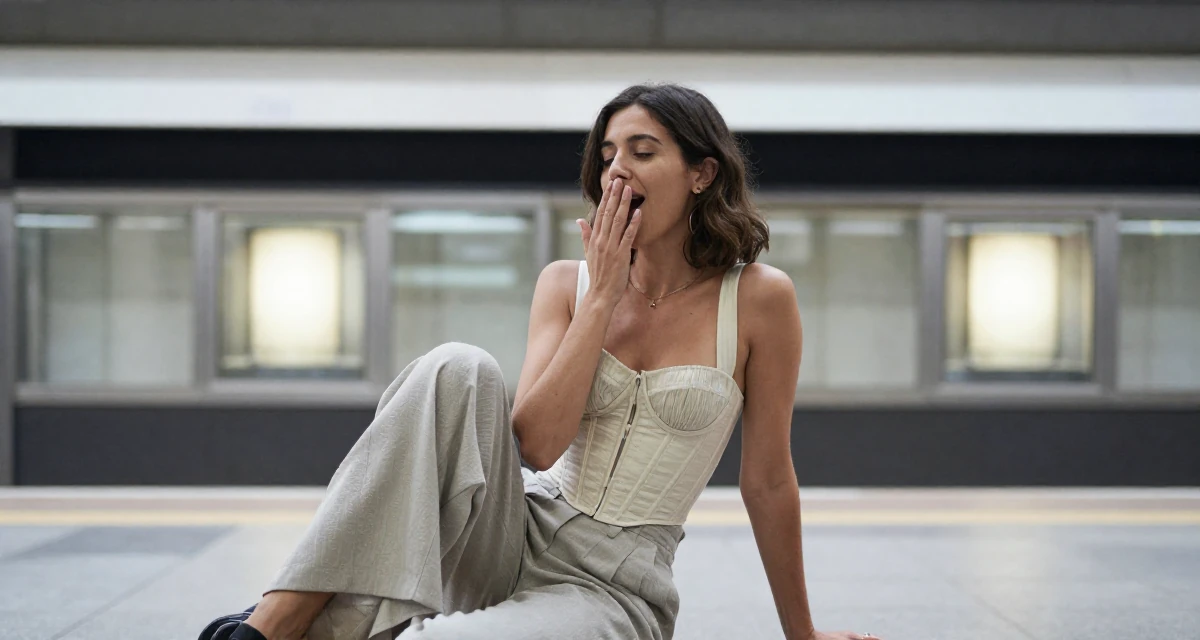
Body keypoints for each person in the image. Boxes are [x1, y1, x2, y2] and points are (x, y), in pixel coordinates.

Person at [198, 83, 882, 640]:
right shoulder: (567, 284)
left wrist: (804, 636)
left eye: (643, 151)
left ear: (702, 174)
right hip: (513, 529)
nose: (618, 170)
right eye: (609, 154)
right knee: (455, 366)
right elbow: (536, 444)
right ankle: (273, 621)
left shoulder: (761, 300)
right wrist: (602, 296)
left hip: (613, 581)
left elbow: (767, 480)